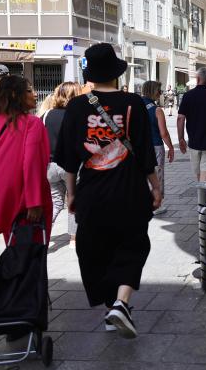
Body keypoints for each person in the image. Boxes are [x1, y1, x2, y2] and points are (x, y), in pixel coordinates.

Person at [54, 43, 161, 339]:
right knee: (134, 244)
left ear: (90, 74)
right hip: (129, 191)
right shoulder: (134, 104)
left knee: (95, 250)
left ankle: (112, 307)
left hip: (92, 192)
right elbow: (144, 153)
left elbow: (68, 160)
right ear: (115, 73)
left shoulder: (76, 107)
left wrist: (71, 194)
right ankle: (121, 303)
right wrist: (156, 186)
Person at [0, 75, 52, 244]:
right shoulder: (32, 123)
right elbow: (32, 163)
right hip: (25, 195)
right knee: (29, 254)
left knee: (13, 248)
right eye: (29, 91)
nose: (35, 94)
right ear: (15, 95)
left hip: (3, 195)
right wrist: (34, 200)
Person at [42, 82, 82, 246]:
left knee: (56, 201)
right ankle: (73, 239)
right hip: (71, 166)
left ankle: (42, 233)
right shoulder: (78, 115)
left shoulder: (46, 115)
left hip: (50, 166)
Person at [141, 81, 175, 216]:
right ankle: (156, 204)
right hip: (155, 146)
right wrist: (171, 148)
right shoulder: (157, 110)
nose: (161, 93)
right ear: (153, 92)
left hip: (138, 147)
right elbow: (164, 133)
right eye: (159, 91)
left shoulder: (135, 105)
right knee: (157, 174)